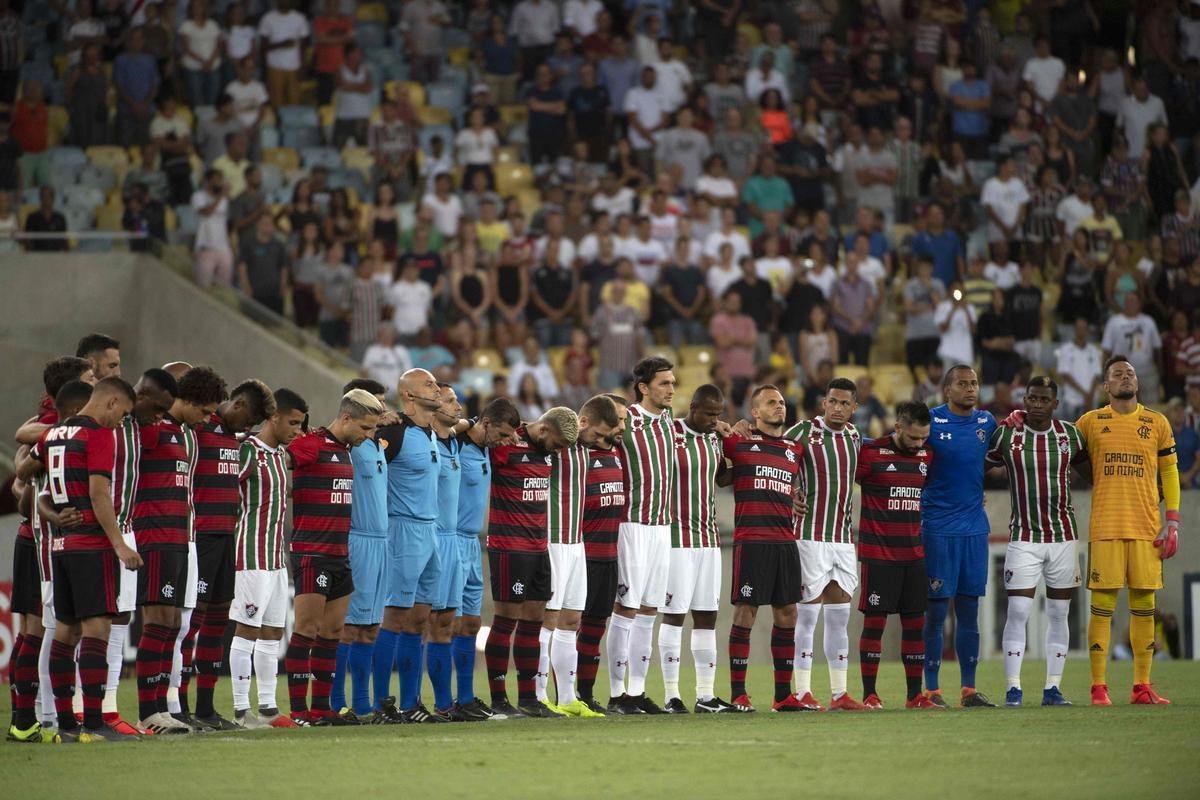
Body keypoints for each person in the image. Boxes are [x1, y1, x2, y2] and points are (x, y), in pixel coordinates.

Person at [23, 377, 139, 742]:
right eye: (123, 412)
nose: (121, 421)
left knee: (65, 630)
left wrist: (55, 516)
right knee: (97, 629)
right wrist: (119, 545)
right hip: (92, 545)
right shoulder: (99, 436)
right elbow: (99, 493)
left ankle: (65, 725)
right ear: (111, 400)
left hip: (61, 546)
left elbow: (31, 482)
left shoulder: (51, 436)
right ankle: (92, 722)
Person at [1074, 357, 1180, 706]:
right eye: (1117, 374)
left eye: (1130, 372)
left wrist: (1174, 521)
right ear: (1106, 386)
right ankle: (1098, 687)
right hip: (1106, 525)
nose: (1125, 377)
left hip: (1146, 526)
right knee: (1102, 606)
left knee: (1144, 606)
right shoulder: (1090, 422)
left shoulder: (1157, 422)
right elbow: (1066, 453)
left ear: (1138, 382)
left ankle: (1142, 686)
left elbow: (1169, 474)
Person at [285, 389, 383, 725]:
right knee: (307, 629)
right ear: (346, 418)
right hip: (312, 551)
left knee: (333, 632)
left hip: (340, 553)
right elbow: (279, 465)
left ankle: (321, 708)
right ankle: (299, 711)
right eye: (367, 428)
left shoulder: (345, 450)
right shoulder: (310, 445)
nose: (370, 436)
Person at [987, 377, 1084, 708]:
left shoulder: (1070, 435)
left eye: (1044, 399)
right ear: (1023, 399)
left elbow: (1091, 471)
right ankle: (1013, 688)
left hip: (1063, 537)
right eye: (1032, 398)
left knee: (1059, 612)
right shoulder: (1007, 433)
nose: (1037, 403)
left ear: (1055, 403)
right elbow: (980, 465)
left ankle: (1052, 688)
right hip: (1023, 536)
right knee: (1019, 610)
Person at [189, 378, 273, 729]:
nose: (249, 428)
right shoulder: (200, 427)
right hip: (201, 538)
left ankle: (206, 708)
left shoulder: (231, 438)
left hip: (227, 539)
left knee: (217, 621)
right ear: (237, 404)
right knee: (191, 623)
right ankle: (177, 706)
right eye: (249, 419)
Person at [484, 406, 579, 717]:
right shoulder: (505, 443)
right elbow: (474, 431)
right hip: (508, 545)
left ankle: (528, 699)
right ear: (544, 430)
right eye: (558, 445)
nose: (559, 452)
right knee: (506, 620)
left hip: (539, 546)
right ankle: (499, 700)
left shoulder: (546, 451)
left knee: (534, 621)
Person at [784, 377, 864, 711]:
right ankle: (802, 691)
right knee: (807, 617)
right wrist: (790, 494)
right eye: (833, 401)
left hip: (843, 540)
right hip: (809, 537)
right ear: (823, 402)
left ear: (854, 407)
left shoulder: (855, 437)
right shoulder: (801, 432)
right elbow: (774, 463)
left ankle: (839, 693)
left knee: (839, 616)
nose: (838, 408)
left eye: (845, 403)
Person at [722, 385, 803, 712]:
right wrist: (733, 426)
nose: (779, 407)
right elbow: (719, 468)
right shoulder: (738, 442)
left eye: (781, 402)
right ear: (755, 412)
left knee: (788, 613)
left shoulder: (793, 449)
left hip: (785, 540)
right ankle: (738, 694)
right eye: (771, 402)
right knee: (746, 611)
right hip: (752, 541)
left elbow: (791, 486)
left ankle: (783, 695)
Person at [373, 369, 448, 722]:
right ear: (408, 395)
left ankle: (410, 703)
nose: (436, 387)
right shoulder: (394, 432)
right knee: (395, 616)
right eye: (428, 384)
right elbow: (368, 469)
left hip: (431, 531)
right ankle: (378, 704)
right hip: (402, 531)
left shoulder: (430, 432)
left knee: (420, 620)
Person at [602, 358, 676, 714]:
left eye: (673, 382)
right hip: (631, 525)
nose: (671, 389)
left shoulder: (669, 422)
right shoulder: (625, 420)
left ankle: (637, 691)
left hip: (663, 527)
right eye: (663, 383)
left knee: (649, 609)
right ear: (643, 387)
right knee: (627, 607)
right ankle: (617, 694)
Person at [921, 365, 997, 708]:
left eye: (975, 383)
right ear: (946, 390)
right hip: (938, 528)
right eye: (962, 384)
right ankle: (932, 690)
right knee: (936, 612)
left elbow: (1001, 454)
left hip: (974, 529)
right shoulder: (930, 422)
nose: (970, 389)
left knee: (969, 611)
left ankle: (968, 689)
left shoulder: (987, 423)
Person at [228, 388, 304, 729]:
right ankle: (242, 711)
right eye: (292, 423)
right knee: (247, 629)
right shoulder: (247, 450)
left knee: (273, 632)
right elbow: (226, 492)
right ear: (273, 417)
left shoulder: (279, 455)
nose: (297, 431)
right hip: (252, 553)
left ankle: (269, 708)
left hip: (276, 555)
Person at [539, 395, 620, 716]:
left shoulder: (587, 450)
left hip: (577, 544)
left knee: (571, 621)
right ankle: (538, 695)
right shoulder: (556, 444)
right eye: (598, 435)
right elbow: (529, 431)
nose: (602, 442)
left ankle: (569, 698)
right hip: (552, 542)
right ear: (582, 422)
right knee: (547, 621)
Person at [855, 401, 938, 709]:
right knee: (875, 624)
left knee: (915, 623)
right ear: (898, 427)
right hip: (878, 554)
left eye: (924, 438)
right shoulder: (870, 454)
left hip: (913, 555)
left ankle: (915, 695)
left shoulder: (927, 456)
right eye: (913, 438)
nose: (919, 445)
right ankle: (870, 694)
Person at [656, 385, 733, 714]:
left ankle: (705, 696)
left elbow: (723, 478)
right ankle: (671, 695)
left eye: (718, 415)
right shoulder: (670, 432)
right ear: (693, 407)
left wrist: (739, 446)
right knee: (673, 616)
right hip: (676, 538)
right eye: (709, 414)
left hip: (709, 539)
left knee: (707, 616)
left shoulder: (715, 439)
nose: (714, 420)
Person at [450, 398, 520, 719]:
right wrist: (462, 423)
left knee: (471, 623)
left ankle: (465, 698)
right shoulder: (455, 441)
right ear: (487, 423)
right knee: (439, 623)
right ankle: (440, 701)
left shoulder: (486, 448)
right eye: (503, 433)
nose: (506, 441)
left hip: (472, 543)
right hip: (447, 538)